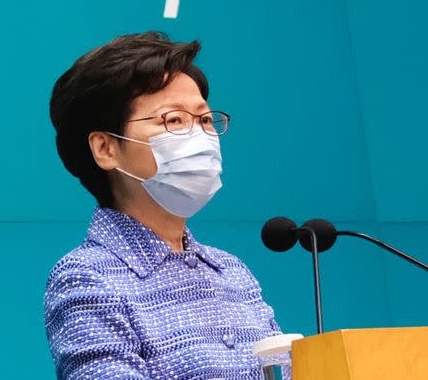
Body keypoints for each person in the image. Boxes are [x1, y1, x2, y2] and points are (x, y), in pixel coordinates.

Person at [44, 31, 282, 379]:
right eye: (173, 120)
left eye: (203, 120)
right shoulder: (87, 279)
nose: (199, 136)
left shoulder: (233, 274)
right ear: (106, 149)